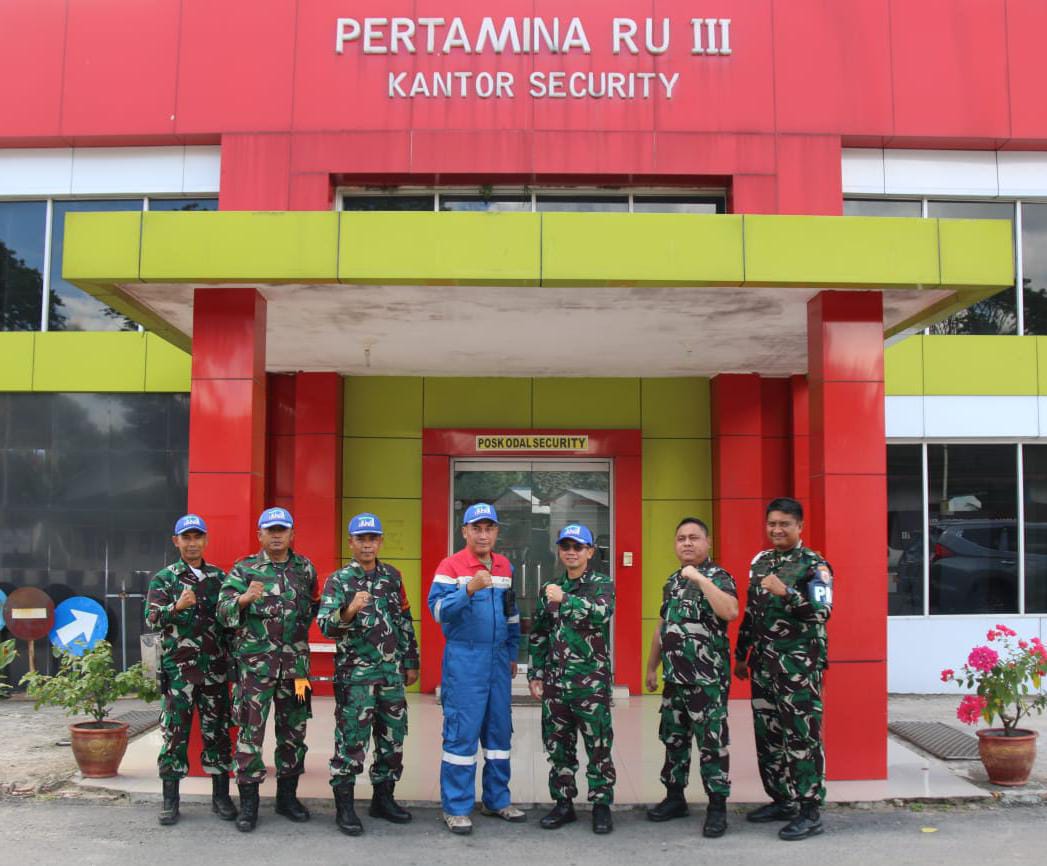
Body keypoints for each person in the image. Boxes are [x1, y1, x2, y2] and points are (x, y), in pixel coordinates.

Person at [734, 497, 834, 841]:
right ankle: (782, 800)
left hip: (798, 668)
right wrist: (741, 654)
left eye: (784, 524)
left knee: (801, 736)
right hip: (763, 666)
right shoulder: (761, 562)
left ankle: (810, 810)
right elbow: (751, 611)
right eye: (772, 523)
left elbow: (821, 613)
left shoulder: (815, 565)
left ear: (799, 527)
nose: (777, 529)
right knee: (768, 736)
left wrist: (788, 592)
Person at [217, 507, 320, 833]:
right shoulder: (244, 568)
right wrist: (244, 599)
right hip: (254, 670)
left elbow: (314, 607)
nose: (276, 535)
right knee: (250, 735)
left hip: (298, 671)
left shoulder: (305, 568)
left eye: (282, 530)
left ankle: (287, 798)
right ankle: (249, 804)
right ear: (260, 535)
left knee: (296, 731)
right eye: (270, 530)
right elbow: (222, 612)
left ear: (292, 534)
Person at [317, 512, 420, 836]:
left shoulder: (392, 576)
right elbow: (325, 626)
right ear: (351, 542)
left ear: (380, 542)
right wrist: (349, 610)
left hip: (390, 675)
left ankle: (383, 799)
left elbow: (404, 620)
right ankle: (344, 807)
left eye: (372, 538)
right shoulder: (339, 580)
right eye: (361, 539)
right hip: (355, 678)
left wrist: (411, 660)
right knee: (351, 742)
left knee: (393, 740)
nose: (367, 544)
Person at [427, 502, 525, 835]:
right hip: (465, 660)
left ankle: (497, 800)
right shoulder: (451, 566)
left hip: (497, 661)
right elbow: (439, 611)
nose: (483, 535)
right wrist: (468, 589)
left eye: (489, 528)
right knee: (462, 733)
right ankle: (456, 807)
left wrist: (513, 653)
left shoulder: (504, 566)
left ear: (496, 532)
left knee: (499, 733)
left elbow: (512, 614)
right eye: (477, 528)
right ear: (465, 531)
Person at [644, 517, 738, 838]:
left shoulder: (719, 577)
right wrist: (651, 667)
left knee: (712, 745)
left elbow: (730, 611)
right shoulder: (671, 581)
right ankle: (674, 798)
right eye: (681, 538)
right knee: (674, 741)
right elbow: (662, 627)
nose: (687, 543)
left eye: (694, 538)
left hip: (706, 682)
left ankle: (716, 807)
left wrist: (700, 579)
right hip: (674, 680)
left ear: (707, 543)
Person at [146, 513, 236, 826]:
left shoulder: (220, 578)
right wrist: (176, 607)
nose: (192, 543)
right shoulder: (164, 579)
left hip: (214, 671)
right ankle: (170, 800)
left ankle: (221, 797)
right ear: (176, 541)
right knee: (174, 736)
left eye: (198, 537)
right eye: (186, 537)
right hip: (178, 675)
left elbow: (229, 623)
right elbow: (152, 618)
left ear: (206, 540)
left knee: (218, 734)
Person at [528, 524, 616, 834]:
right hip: (556, 684)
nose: (571, 552)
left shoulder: (602, 584)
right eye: (566, 546)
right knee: (558, 747)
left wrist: (566, 598)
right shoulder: (549, 588)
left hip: (590, 684)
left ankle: (601, 805)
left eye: (578, 547)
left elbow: (600, 614)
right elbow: (539, 633)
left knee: (598, 746)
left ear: (590, 551)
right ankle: (563, 803)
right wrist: (536, 674)